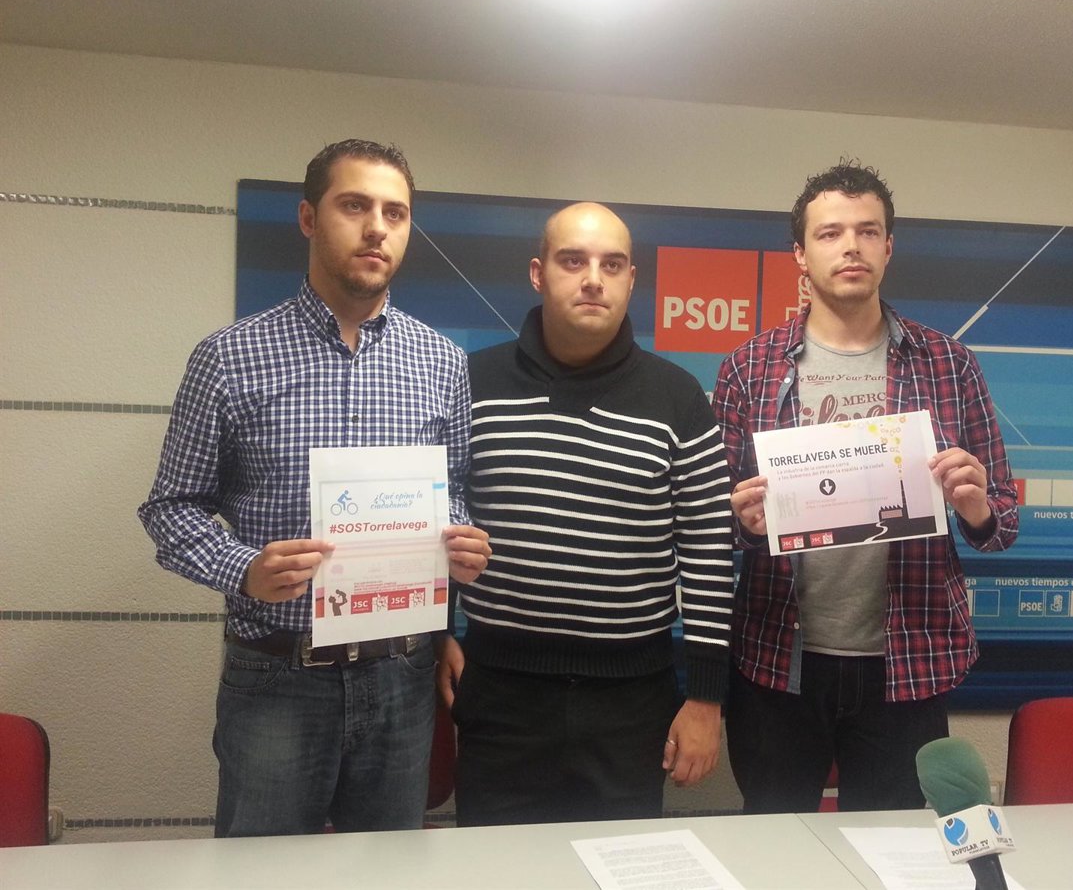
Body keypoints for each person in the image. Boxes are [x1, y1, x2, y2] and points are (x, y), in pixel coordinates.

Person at [138, 139, 491, 837]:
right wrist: (245, 569)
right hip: (278, 674)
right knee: (262, 874)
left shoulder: (443, 362)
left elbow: (454, 489)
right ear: (308, 218)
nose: (376, 228)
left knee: (385, 874)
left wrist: (458, 538)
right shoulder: (228, 357)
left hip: (401, 676)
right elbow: (170, 509)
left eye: (395, 213)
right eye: (354, 206)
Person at [712, 161, 1018, 813]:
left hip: (907, 664)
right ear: (800, 254)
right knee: (776, 843)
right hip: (778, 661)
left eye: (867, 231)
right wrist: (742, 522)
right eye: (830, 233)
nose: (850, 246)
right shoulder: (748, 368)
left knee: (891, 852)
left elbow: (1003, 525)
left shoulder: (950, 365)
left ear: (888, 247)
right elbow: (713, 525)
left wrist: (976, 508)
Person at [436, 202, 734, 826]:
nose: (593, 279)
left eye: (612, 264)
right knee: (496, 869)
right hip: (500, 696)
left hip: (631, 705)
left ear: (632, 280)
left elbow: (708, 554)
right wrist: (437, 630)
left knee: (617, 866)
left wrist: (707, 699)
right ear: (538, 273)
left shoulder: (679, 398)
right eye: (573, 261)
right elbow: (437, 520)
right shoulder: (470, 383)